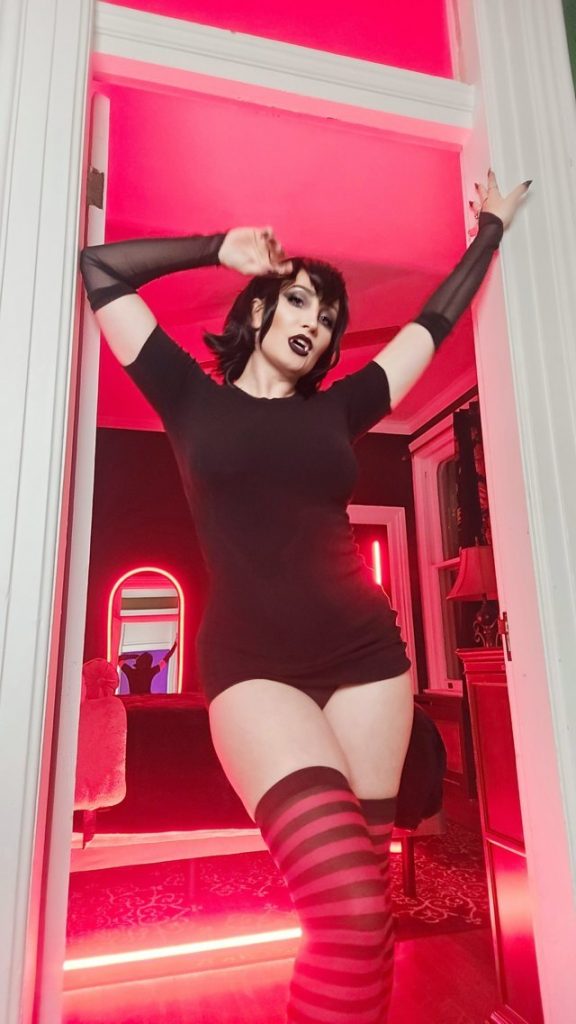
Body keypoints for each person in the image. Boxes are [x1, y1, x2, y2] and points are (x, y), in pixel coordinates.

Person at [79, 169, 530, 1023]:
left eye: (327, 320)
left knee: (366, 919)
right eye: (299, 302)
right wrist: (218, 247)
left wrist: (491, 230)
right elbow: (100, 270)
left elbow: (435, 322)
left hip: (369, 664)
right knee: (349, 908)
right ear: (258, 312)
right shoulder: (186, 395)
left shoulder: (343, 408)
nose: (315, 323)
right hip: (252, 670)